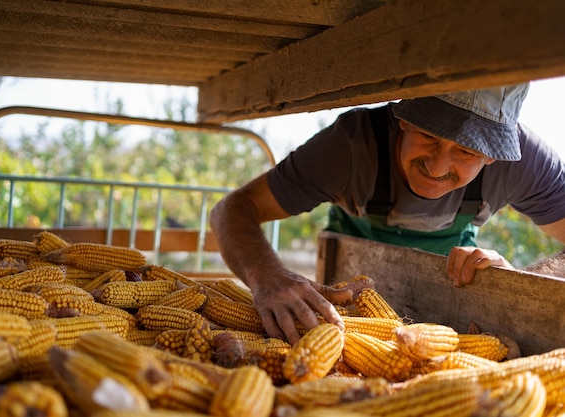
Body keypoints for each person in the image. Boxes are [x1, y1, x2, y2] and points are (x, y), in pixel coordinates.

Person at [209, 83, 565, 344]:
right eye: (428, 135)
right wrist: (268, 278)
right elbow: (232, 209)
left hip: (450, 323)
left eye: (467, 152)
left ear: (492, 156)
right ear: (404, 120)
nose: (438, 166)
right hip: (345, 315)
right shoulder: (348, 147)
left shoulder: (525, 162)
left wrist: (516, 281)